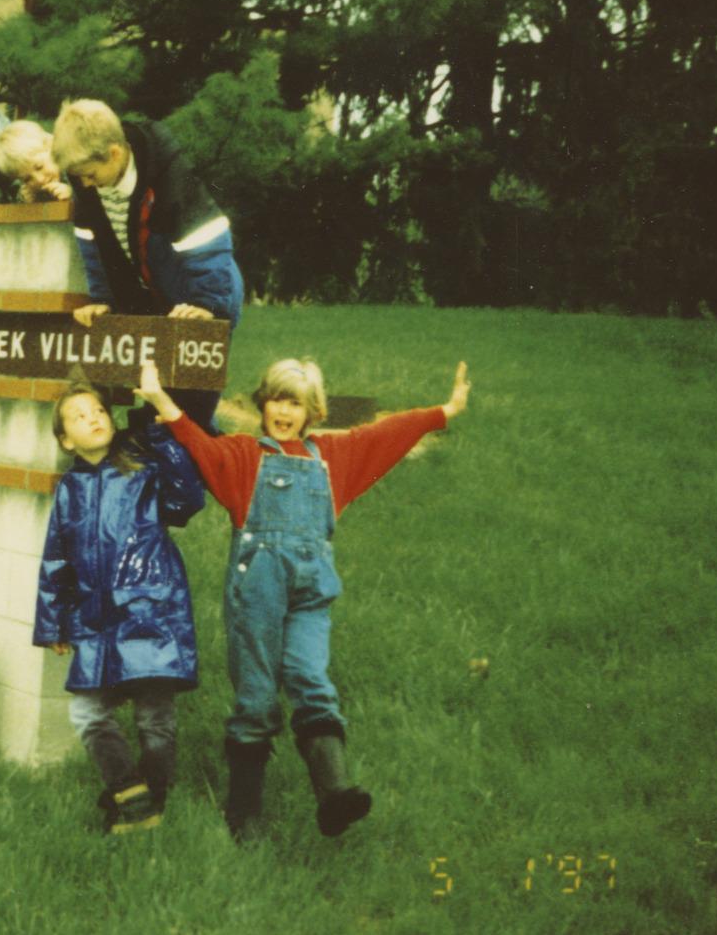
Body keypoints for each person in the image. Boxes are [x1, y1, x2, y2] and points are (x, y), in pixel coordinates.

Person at [137, 357, 472, 841]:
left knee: (310, 675)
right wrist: (159, 398)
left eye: (295, 402)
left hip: (311, 593)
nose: (284, 411)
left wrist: (445, 411)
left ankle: (334, 793)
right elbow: (198, 445)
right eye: (276, 398)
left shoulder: (335, 458)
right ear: (263, 403)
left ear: (313, 410)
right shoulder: (243, 455)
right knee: (255, 695)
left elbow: (389, 433)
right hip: (256, 595)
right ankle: (244, 814)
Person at [33, 382, 205, 833]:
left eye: (99, 410)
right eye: (79, 415)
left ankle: (149, 805)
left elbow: (188, 500)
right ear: (65, 439)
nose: (94, 417)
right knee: (87, 713)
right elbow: (57, 558)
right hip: (94, 621)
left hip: (151, 610)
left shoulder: (143, 469)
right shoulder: (69, 489)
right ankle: (132, 794)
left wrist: (165, 439)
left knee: (154, 718)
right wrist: (54, 622)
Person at [51, 98, 244, 429]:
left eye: (89, 175)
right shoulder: (86, 184)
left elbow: (207, 240)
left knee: (190, 407)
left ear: (114, 153)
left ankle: (216, 463)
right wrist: (103, 301)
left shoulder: (169, 175)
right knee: (158, 398)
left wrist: (206, 304)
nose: (84, 184)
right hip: (154, 300)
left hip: (204, 292)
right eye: (77, 177)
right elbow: (91, 245)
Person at [0, 119, 73, 204]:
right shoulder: (28, 192)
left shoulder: (76, 165)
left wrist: (74, 194)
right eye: (27, 179)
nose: (40, 180)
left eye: (39, 167)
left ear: (50, 145)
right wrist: (28, 205)